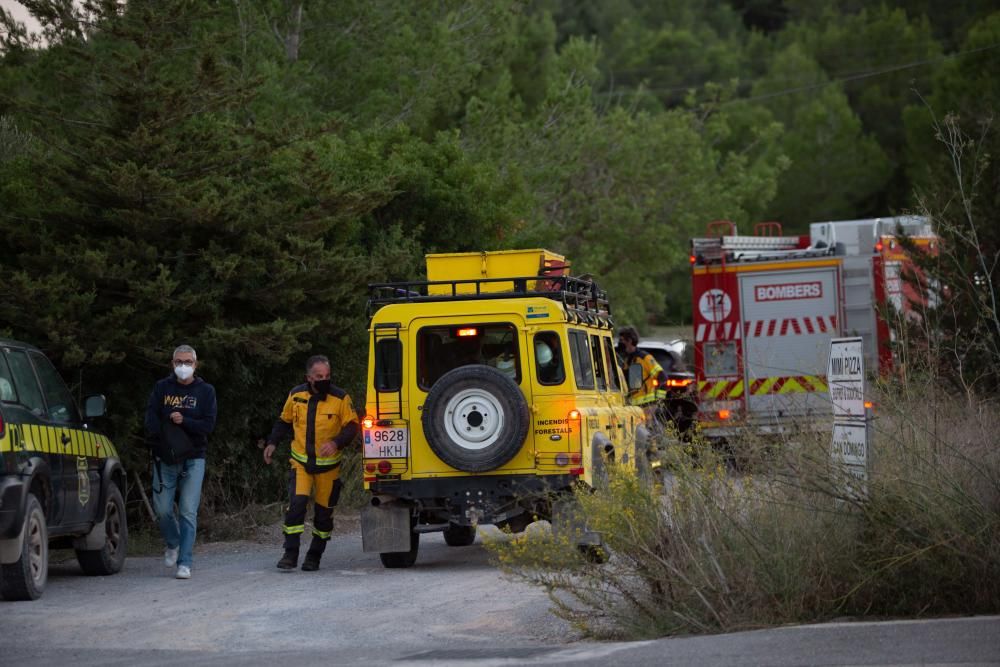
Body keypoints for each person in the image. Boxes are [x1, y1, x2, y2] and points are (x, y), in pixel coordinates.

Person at [263, 355, 359, 571]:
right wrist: (272, 443)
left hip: (329, 467)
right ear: (309, 377)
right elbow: (284, 421)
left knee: (324, 515)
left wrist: (336, 442)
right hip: (301, 464)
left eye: (327, 376)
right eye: (319, 376)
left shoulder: (340, 398)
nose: (324, 380)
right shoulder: (296, 395)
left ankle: (314, 555)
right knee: (296, 505)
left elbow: (353, 426)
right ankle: (290, 553)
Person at [144, 344, 217, 580]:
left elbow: (208, 426)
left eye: (187, 362)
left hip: (194, 457)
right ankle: (173, 542)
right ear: (172, 363)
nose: (183, 366)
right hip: (165, 458)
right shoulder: (161, 388)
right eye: (178, 362)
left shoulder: (206, 391)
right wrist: (165, 427)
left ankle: (185, 562)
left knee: (187, 511)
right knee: (163, 509)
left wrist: (183, 420)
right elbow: (151, 418)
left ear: (195, 364)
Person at [617, 327, 667, 415]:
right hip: (633, 408)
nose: (620, 343)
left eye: (622, 340)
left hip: (647, 407)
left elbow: (663, 377)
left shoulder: (644, 358)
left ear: (630, 341)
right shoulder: (627, 360)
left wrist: (658, 402)